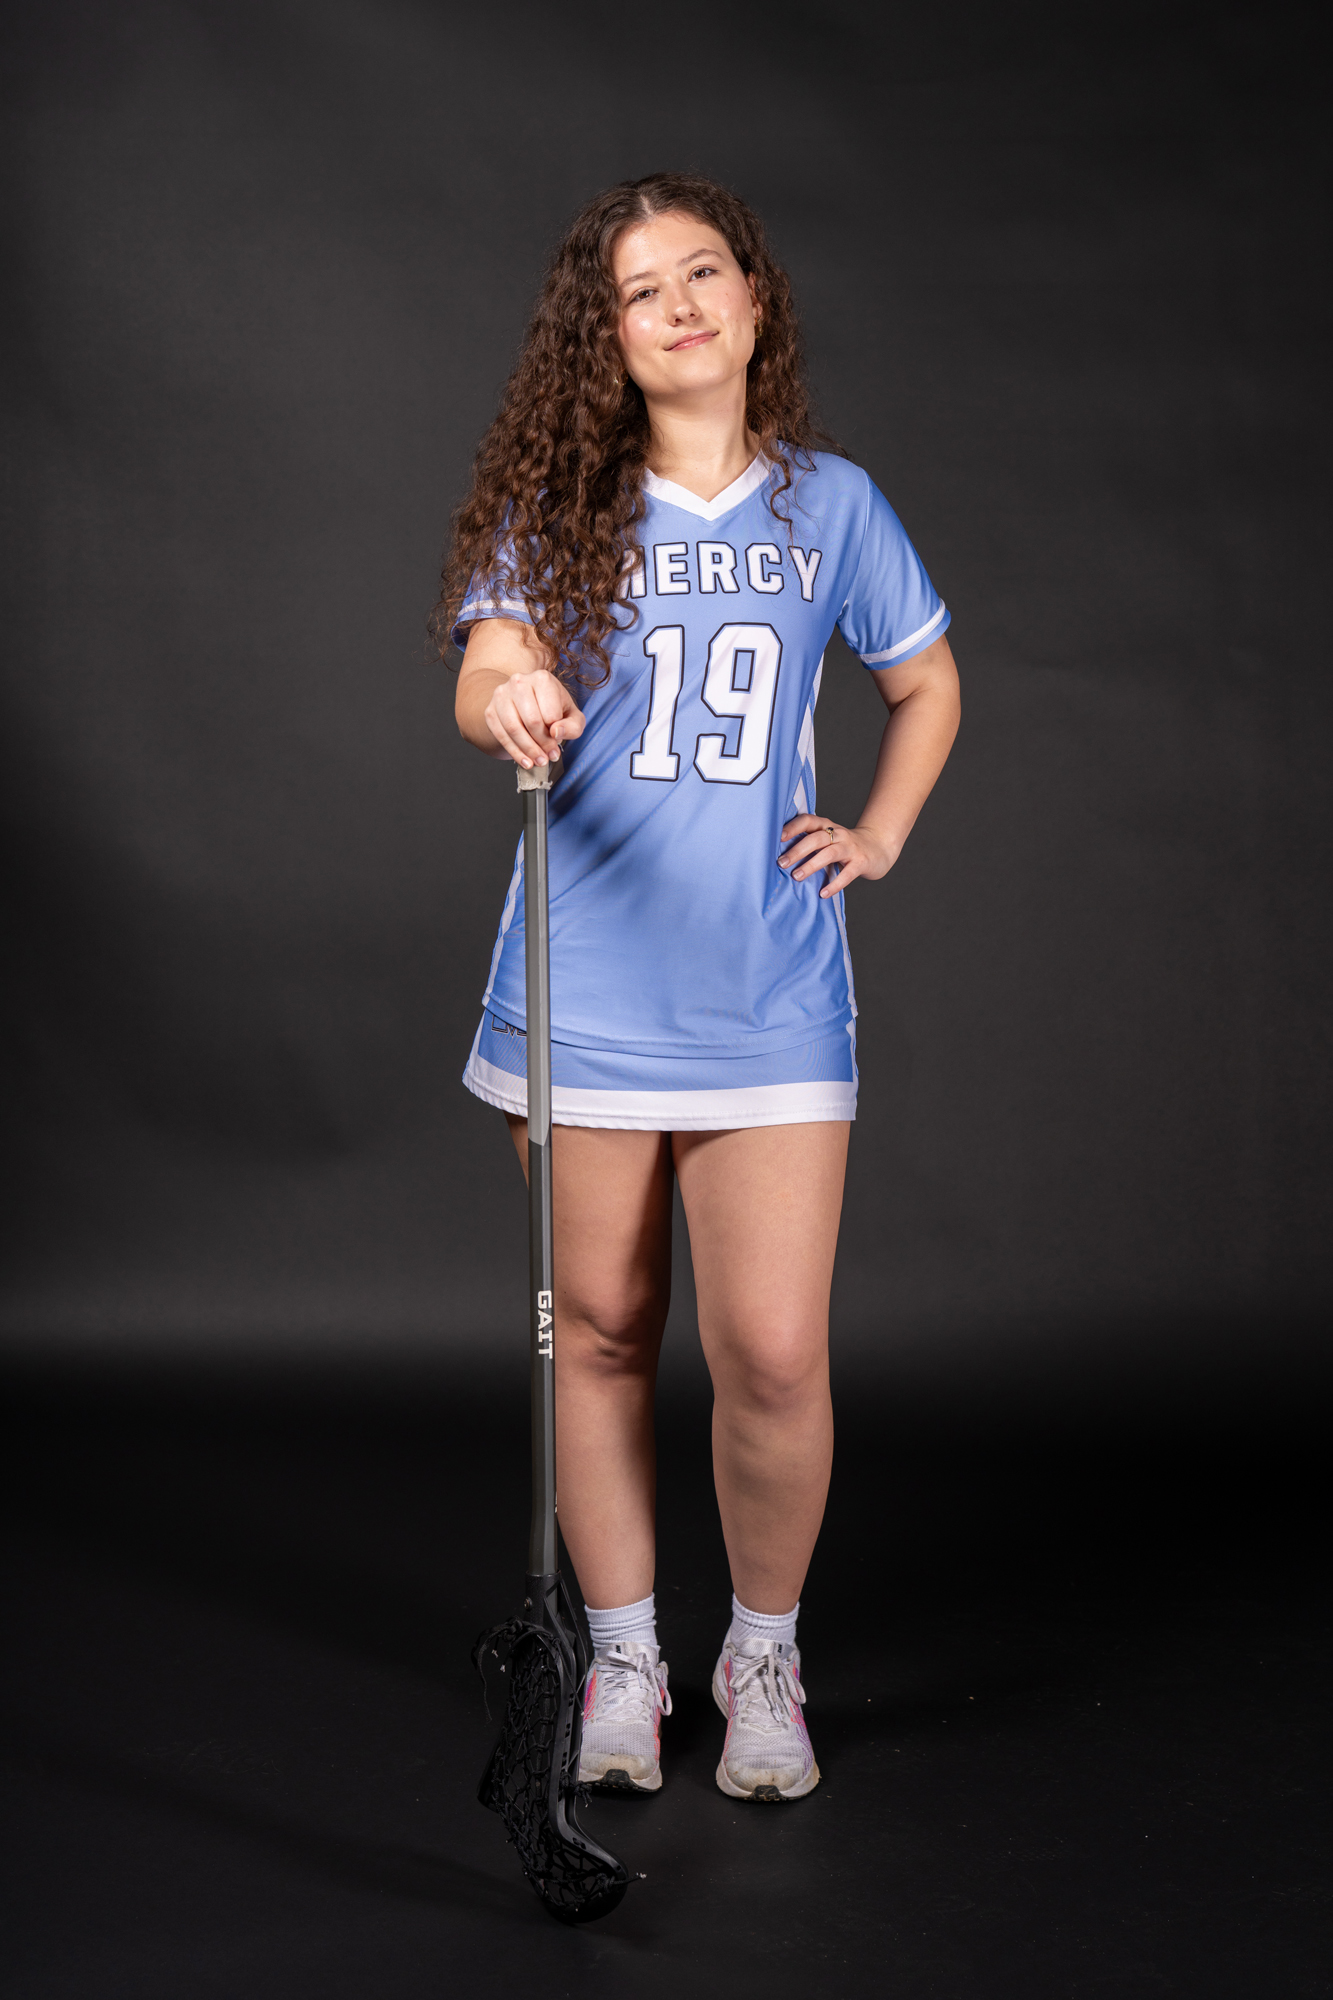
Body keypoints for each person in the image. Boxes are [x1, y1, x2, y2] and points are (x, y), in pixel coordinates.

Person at [436, 173, 959, 1803]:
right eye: (639, 288)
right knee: (599, 1331)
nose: (677, 303)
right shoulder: (559, 504)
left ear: (752, 298)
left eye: (703, 270)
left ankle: (762, 1655)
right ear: (602, 337)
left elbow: (926, 682)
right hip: (583, 989)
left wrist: (877, 831)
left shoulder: (832, 506)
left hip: (765, 991)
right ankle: (621, 1657)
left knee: (774, 1354)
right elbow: (483, 667)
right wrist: (509, 693)